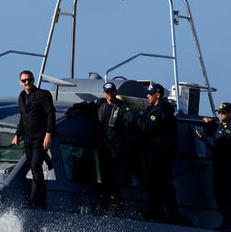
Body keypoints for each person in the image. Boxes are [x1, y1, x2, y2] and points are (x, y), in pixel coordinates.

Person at [65, 81, 133, 216]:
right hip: (103, 147)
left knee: (110, 178)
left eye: (112, 92)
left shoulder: (122, 107)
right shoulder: (100, 104)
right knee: (105, 178)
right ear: (104, 93)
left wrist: (130, 121)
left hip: (116, 148)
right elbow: (87, 105)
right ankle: (108, 206)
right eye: (107, 92)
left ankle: (110, 207)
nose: (110, 94)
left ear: (116, 92)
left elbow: (129, 117)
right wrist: (74, 107)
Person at [134, 83, 180, 222]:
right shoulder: (159, 109)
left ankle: (165, 215)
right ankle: (161, 213)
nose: (147, 95)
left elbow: (147, 126)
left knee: (161, 184)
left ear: (158, 95)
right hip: (159, 152)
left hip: (162, 152)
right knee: (158, 183)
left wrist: (135, 116)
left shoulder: (161, 111)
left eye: (150, 93)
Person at [195, 102, 231, 232]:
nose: (221, 114)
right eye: (219, 112)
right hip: (222, 166)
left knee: (226, 195)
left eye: (223, 113)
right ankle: (230, 220)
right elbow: (219, 129)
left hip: (228, 167)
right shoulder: (224, 126)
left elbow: (217, 141)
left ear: (230, 113)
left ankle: (229, 222)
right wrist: (211, 123)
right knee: (219, 193)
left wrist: (202, 136)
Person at [12, 70, 55, 209]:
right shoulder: (21, 96)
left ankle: (32, 200)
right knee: (35, 169)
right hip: (28, 139)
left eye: (29, 80)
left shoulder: (42, 95)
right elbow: (22, 118)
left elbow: (50, 114)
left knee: (36, 166)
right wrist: (16, 134)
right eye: (24, 81)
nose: (27, 82)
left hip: (40, 138)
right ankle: (43, 202)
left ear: (33, 80)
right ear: (20, 82)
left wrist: (48, 134)